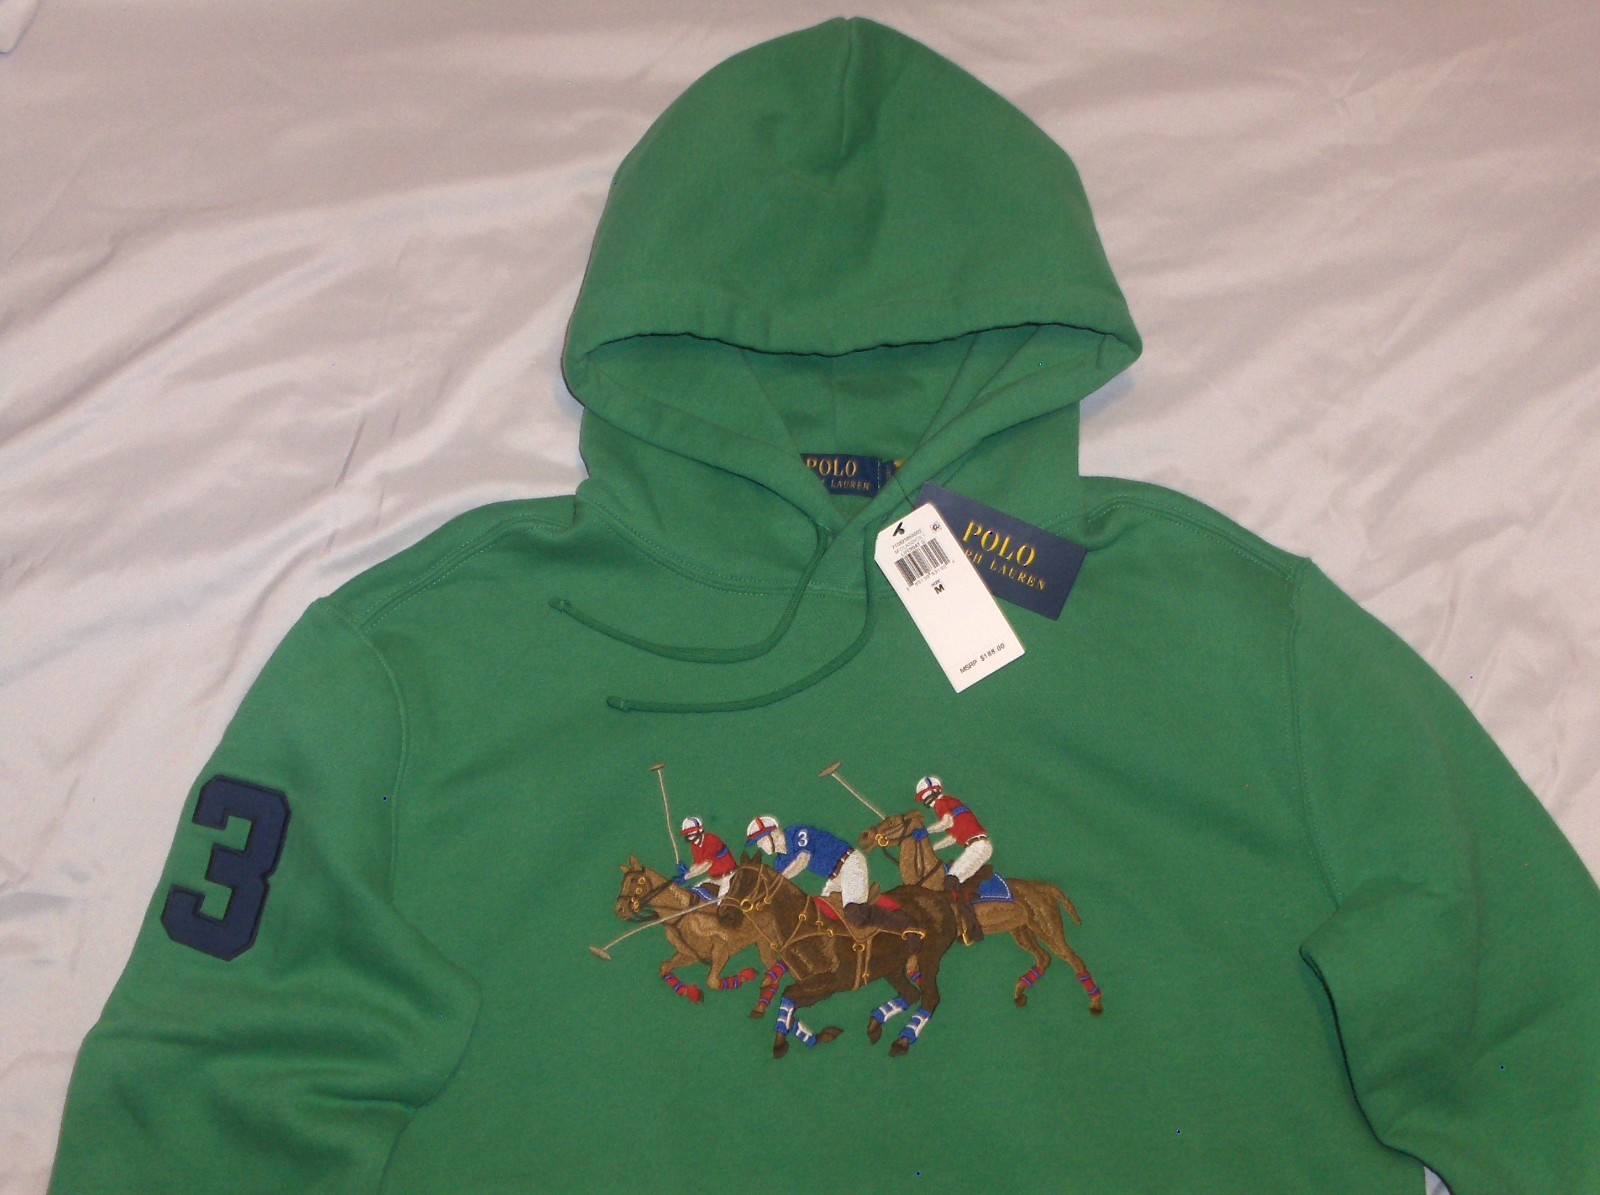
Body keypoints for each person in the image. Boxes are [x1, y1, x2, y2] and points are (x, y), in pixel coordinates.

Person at [915, 775, 988, 943]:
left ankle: (971, 927)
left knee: (950, 880)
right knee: (957, 884)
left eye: (924, 797)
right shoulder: (951, 803)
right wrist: (931, 848)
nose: (925, 801)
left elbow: (946, 823)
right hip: (979, 846)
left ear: (932, 793)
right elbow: (953, 838)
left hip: (977, 846)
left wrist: (927, 831)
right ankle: (969, 924)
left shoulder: (942, 803)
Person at [677, 816, 736, 900]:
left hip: (729, 877)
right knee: (693, 891)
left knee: (720, 903)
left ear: (700, 830)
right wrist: (688, 871)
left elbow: (706, 865)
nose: (690, 836)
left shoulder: (711, 840)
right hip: (715, 879)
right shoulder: (694, 846)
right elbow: (698, 864)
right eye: (687, 834)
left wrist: (686, 877)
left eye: (692, 832)